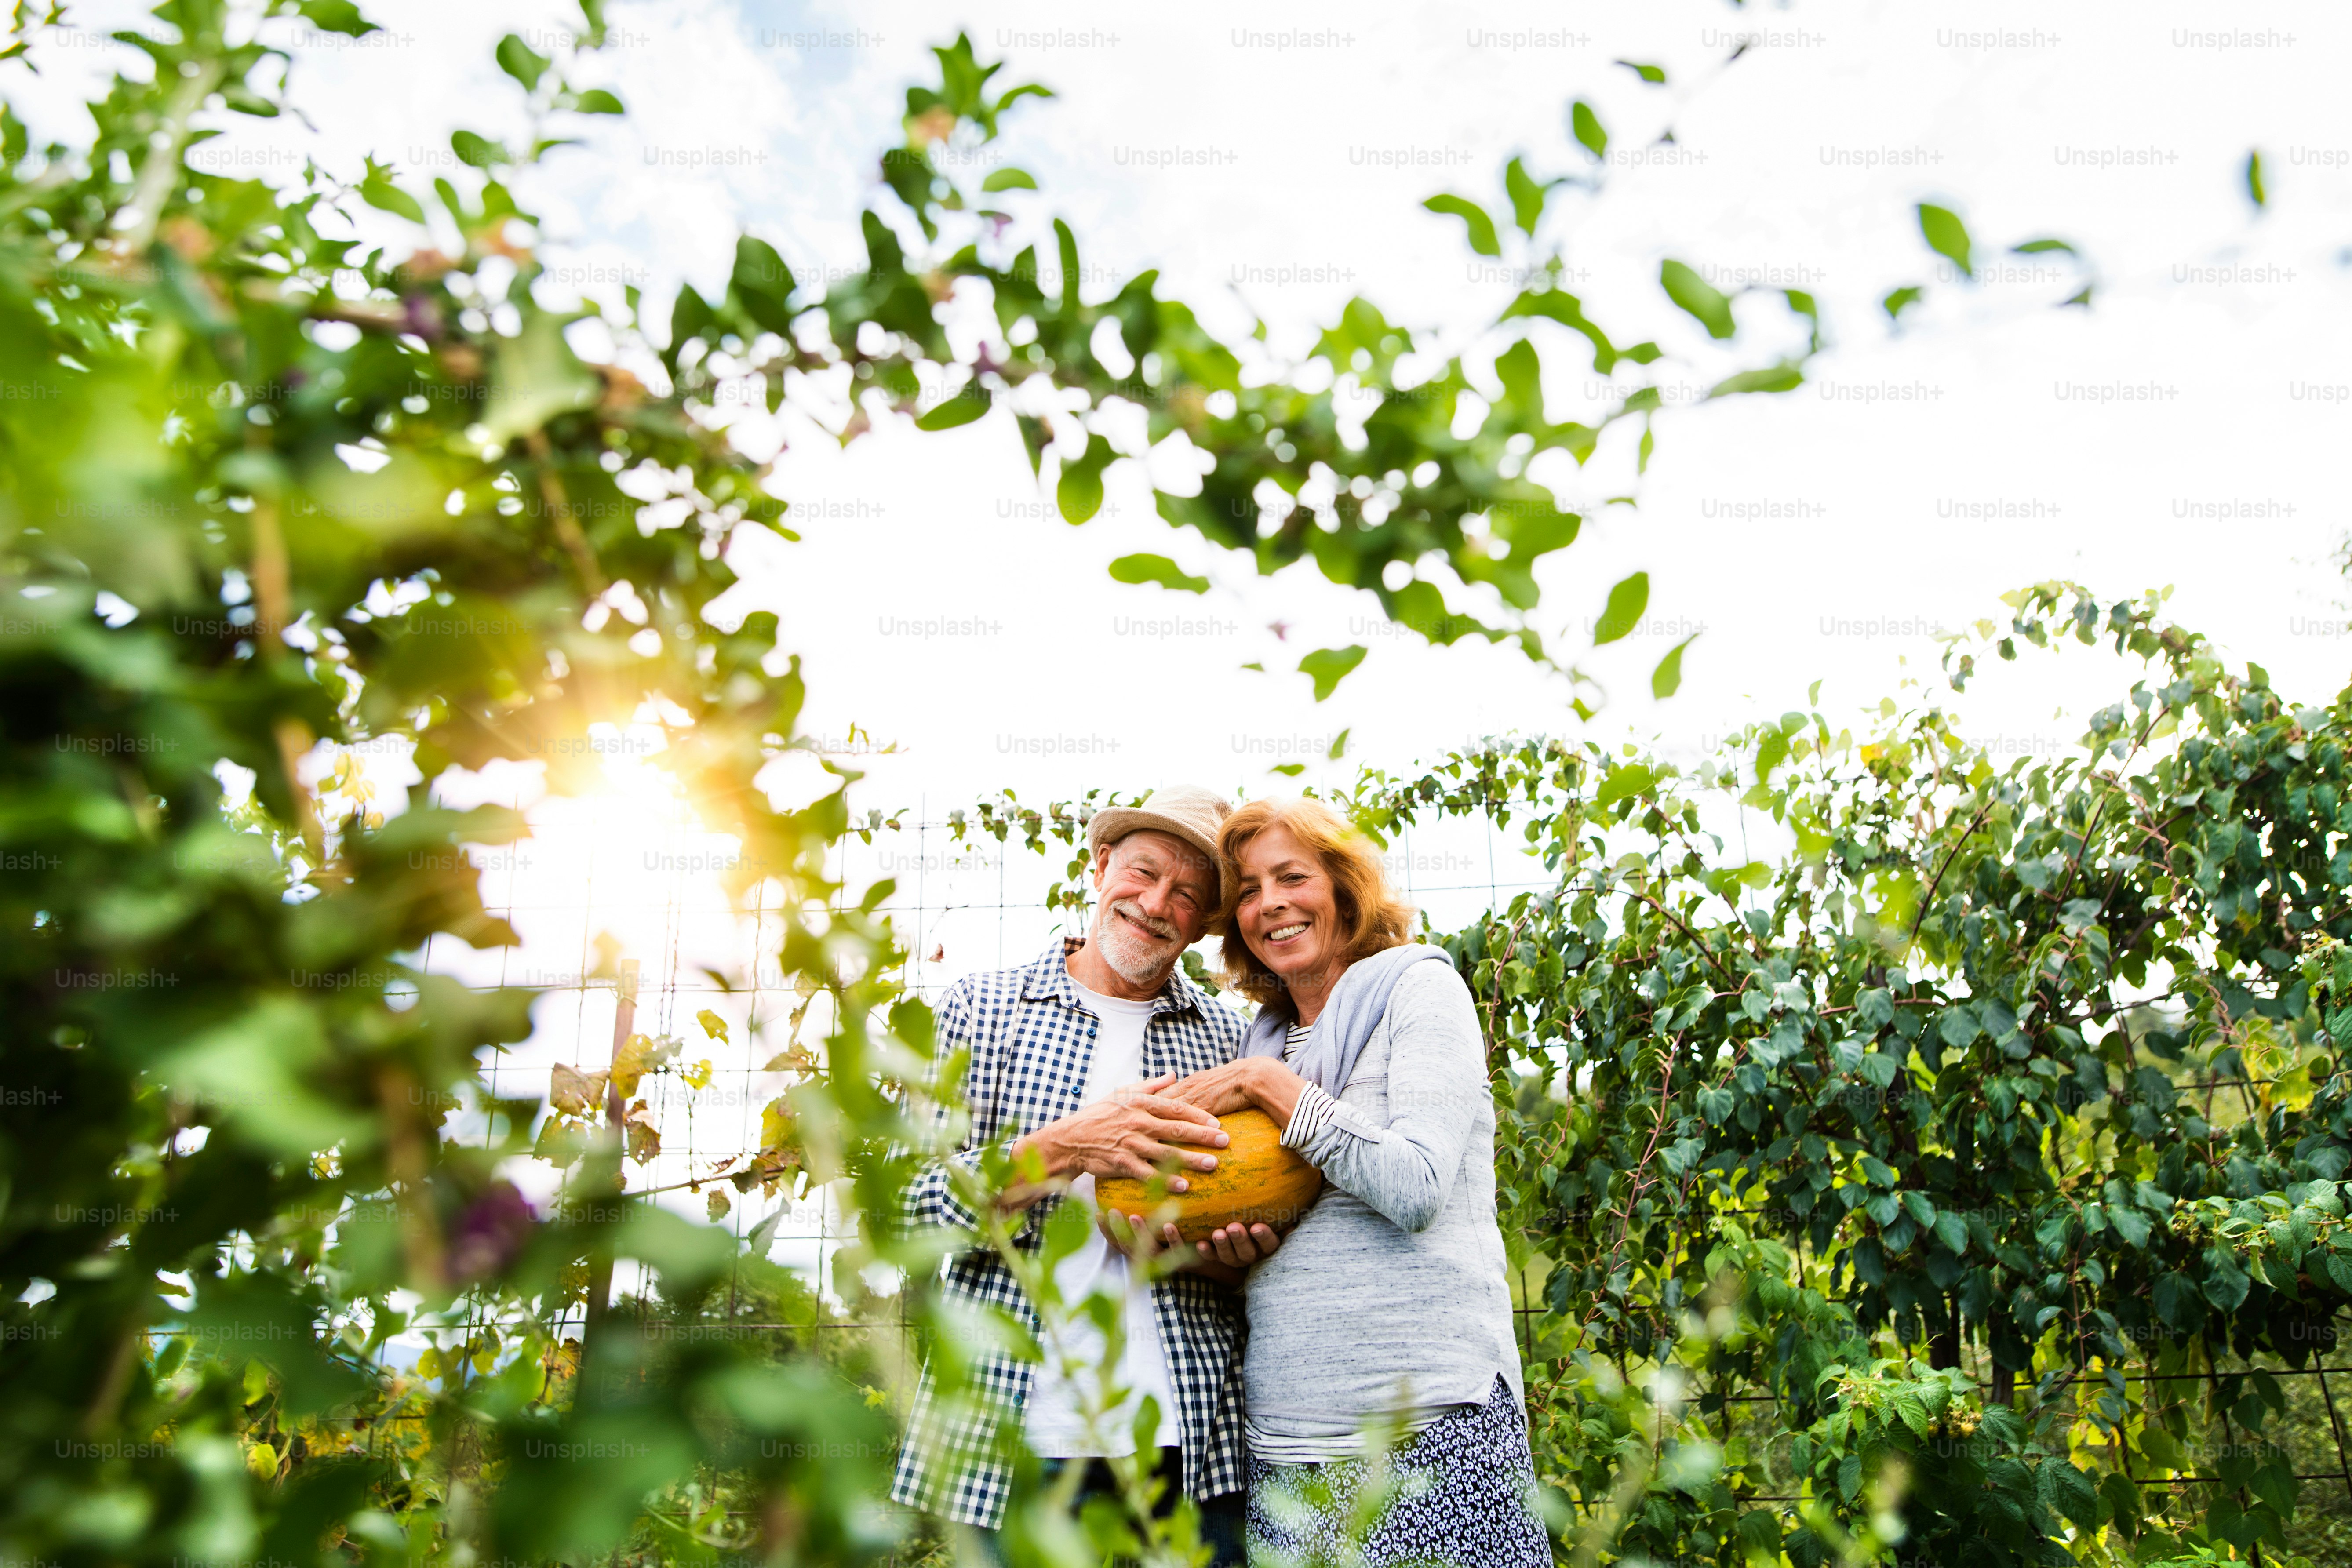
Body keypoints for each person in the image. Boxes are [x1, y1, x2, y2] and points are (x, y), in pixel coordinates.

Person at [1144, 797, 1550, 1566]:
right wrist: (1219, 1249)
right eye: (1251, 892)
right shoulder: (1260, 1039)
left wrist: (1274, 1088)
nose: (1271, 905)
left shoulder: (1418, 991)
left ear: (1342, 886)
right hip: (1285, 1439)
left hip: (1430, 1422)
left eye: (1291, 877)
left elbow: (1416, 1185)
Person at [890, 785, 1278, 1564]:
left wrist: (1231, 1261)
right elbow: (907, 1215)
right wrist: (1068, 1147)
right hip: (1015, 1439)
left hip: (1190, 1440)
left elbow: (1255, 1245)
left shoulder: (1232, 1047)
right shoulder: (980, 1010)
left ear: (1204, 922)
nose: (1155, 903)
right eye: (1141, 872)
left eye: (1187, 895)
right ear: (1100, 865)